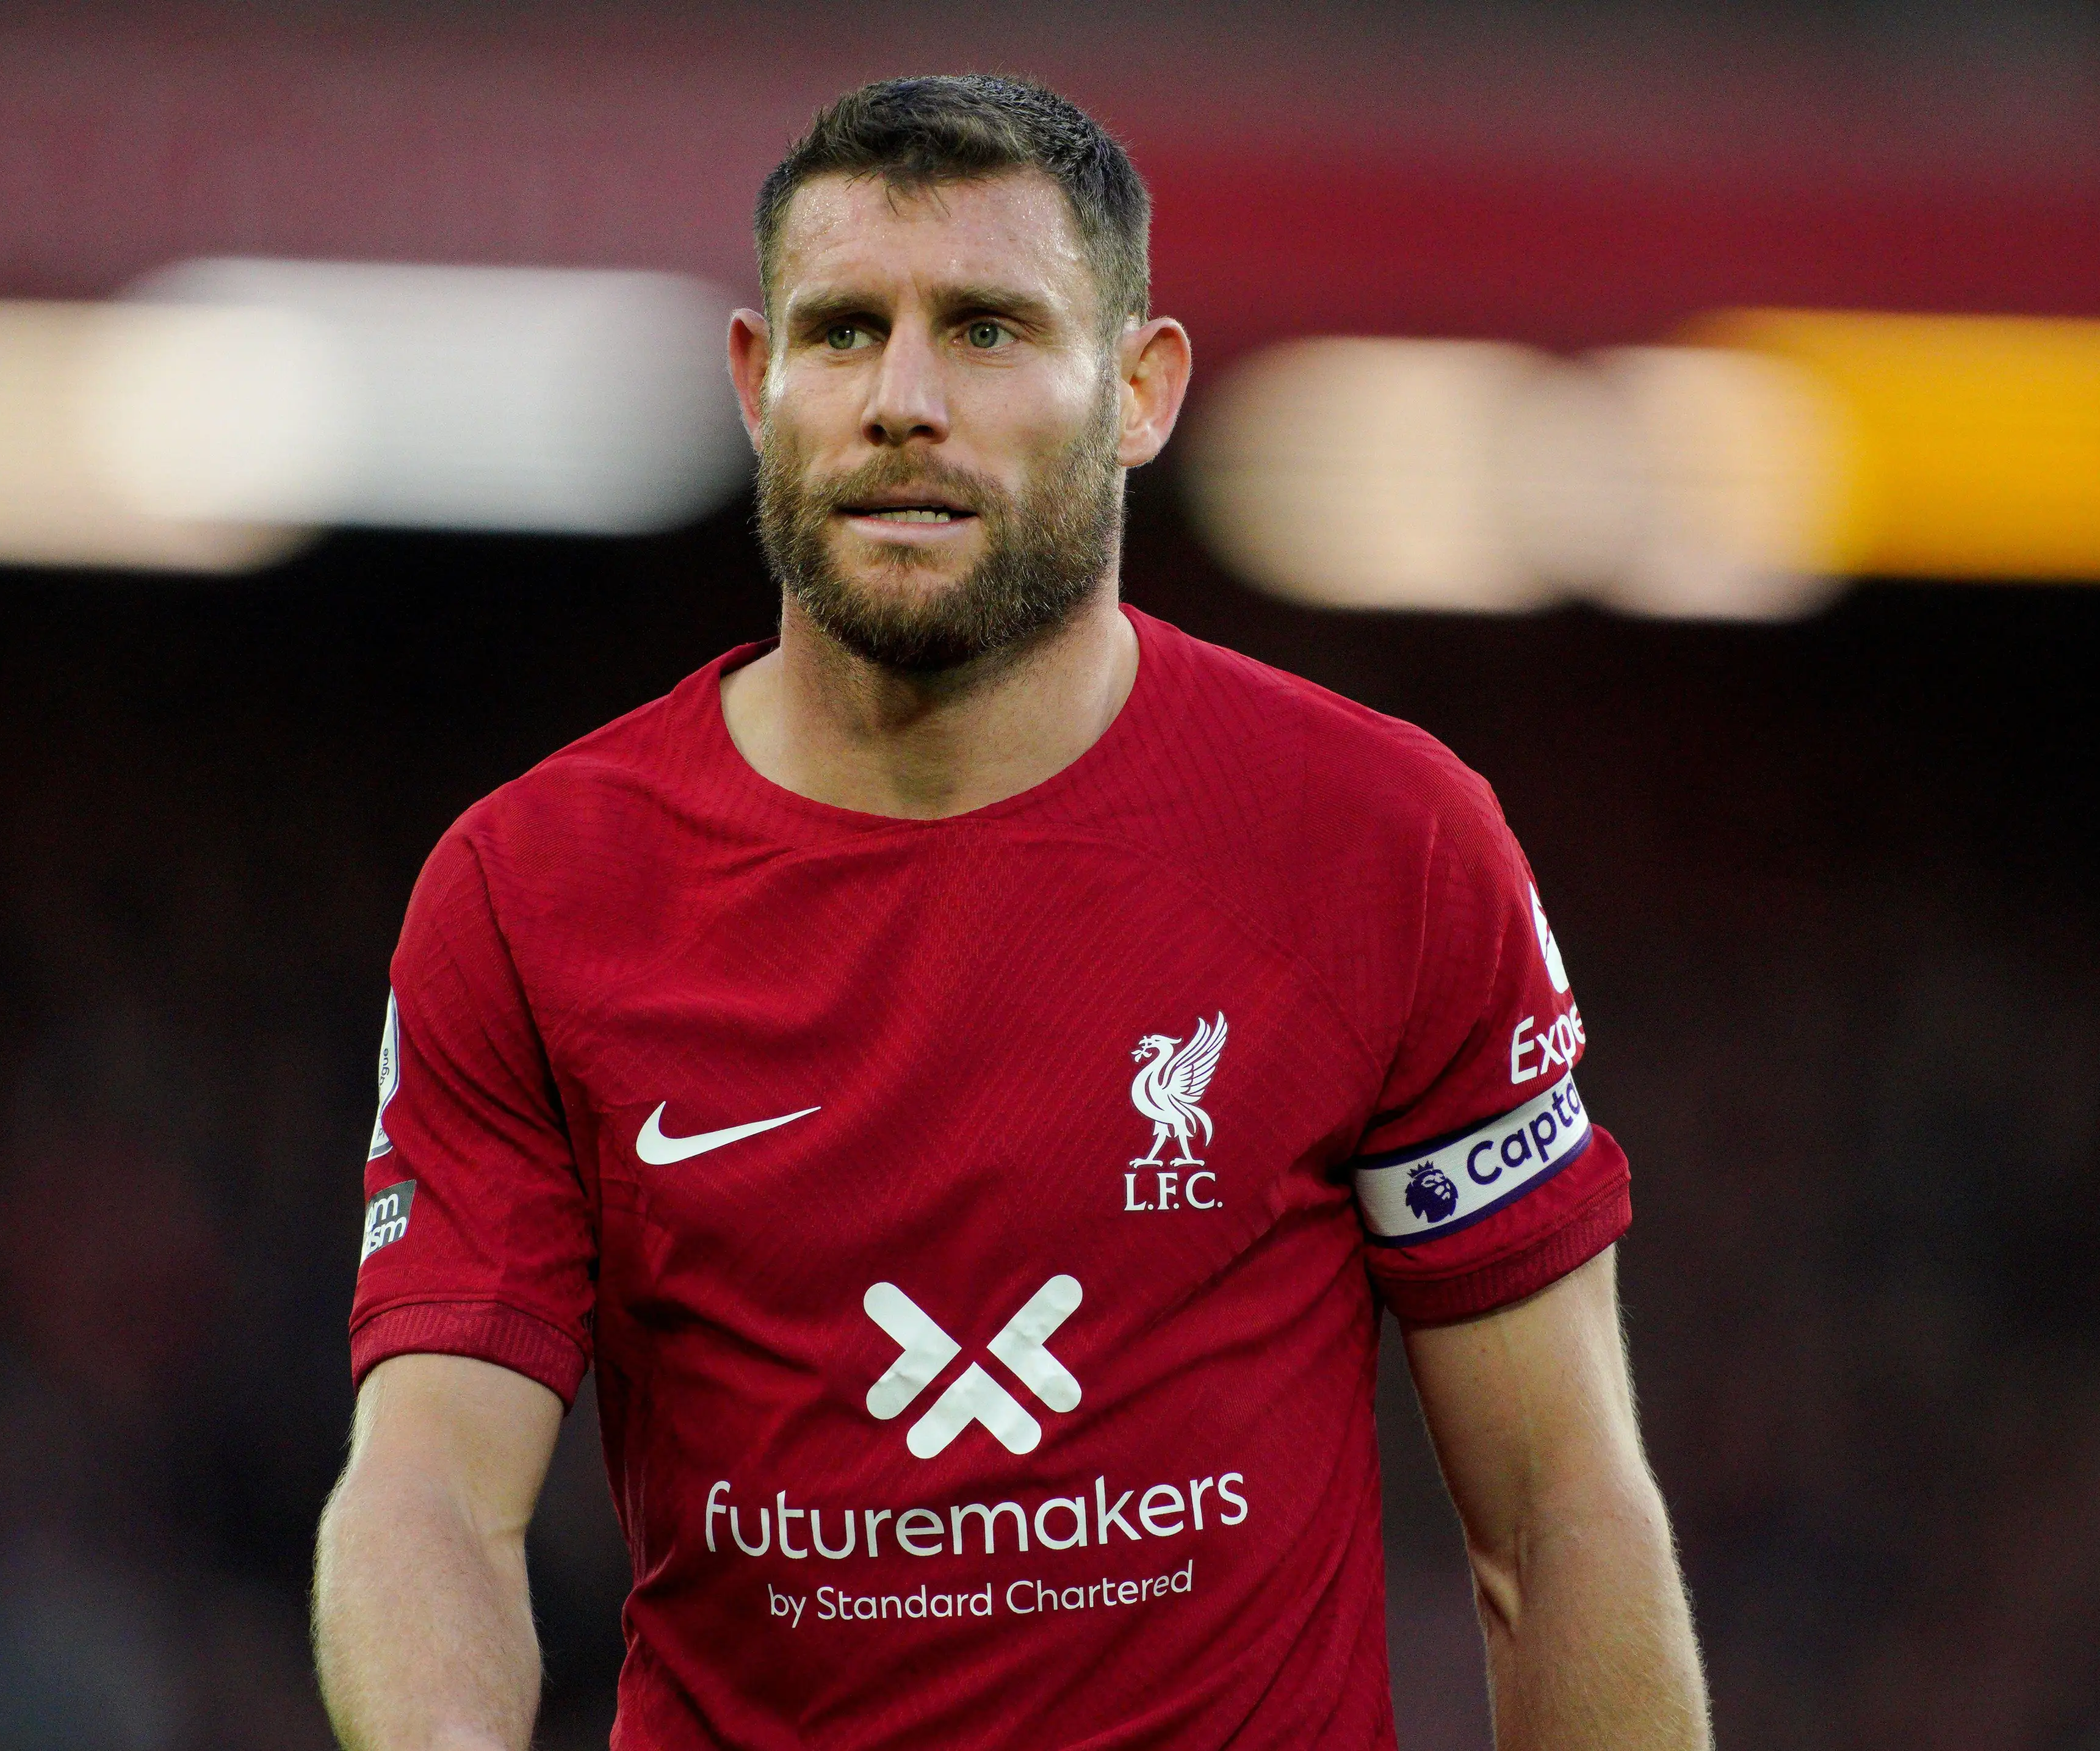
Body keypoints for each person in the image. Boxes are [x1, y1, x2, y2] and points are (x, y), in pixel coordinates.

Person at [312, 73, 1711, 1751]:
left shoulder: (1386, 843)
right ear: (759, 385)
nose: (903, 399)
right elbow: (427, 1504)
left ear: (1140, 388)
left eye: (984, 329)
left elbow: (1560, 1519)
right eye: (843, 332)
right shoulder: (531, 892)